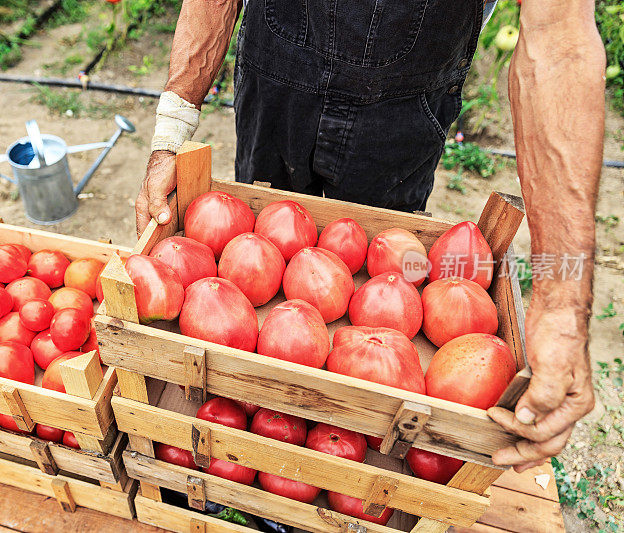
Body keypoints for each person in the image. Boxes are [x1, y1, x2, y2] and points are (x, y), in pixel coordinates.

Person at [135, 0, 604, 472]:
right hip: (277, 68)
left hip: (406, 98)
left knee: (386, 285)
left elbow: (560, 41)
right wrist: (171, 132)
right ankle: (244, 448)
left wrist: (564, 305)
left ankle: (331, 466)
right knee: (261, 234)